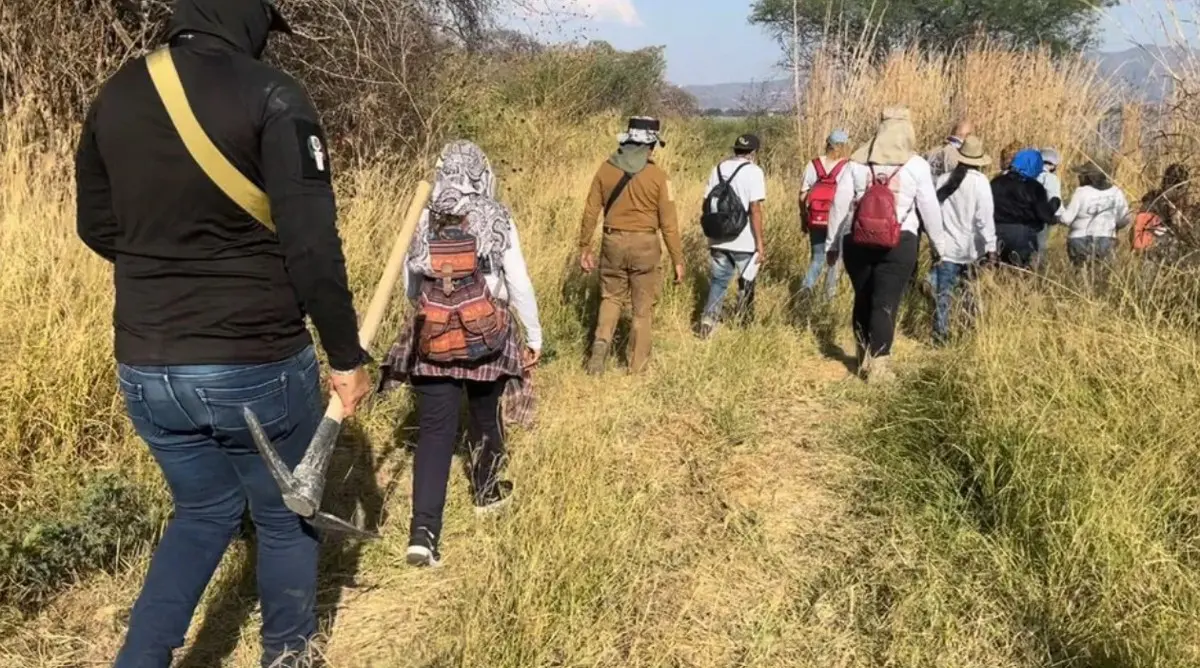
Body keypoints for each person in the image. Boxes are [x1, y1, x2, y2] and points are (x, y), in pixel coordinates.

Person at [75, 0, 371, 665]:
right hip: (255, 357)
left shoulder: (116, 93)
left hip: (146, 366)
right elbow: (313, 249)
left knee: (202, 513)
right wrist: (347, 359)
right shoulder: (273, 95)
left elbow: (96, 228)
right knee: (286, 514)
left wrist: (168, 270)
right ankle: (288, 656)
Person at [379, 140, 542, 568]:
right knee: (485, 416)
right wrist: (535, 334)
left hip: (433, 334)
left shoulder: (422, 213)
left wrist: (428, 311)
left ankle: (423, 533)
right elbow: (518, 281)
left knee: (434, 432)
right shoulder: (495, 214)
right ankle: (487, 493)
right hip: (487, 330)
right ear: (481, 172)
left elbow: (410, 283)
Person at [826, 107, 942, 383]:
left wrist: (832, 245)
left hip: (857, 239)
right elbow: (930, 209)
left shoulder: (855, 163)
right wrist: (940, 247)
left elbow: (839, 205)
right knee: (885, 301)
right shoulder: (916, 165)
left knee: (863, 296)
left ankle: (861, 353)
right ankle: (879, 366)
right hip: (900, 241)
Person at [578, 116, 684, 375]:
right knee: (642, 308)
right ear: (651, 146)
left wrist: (584, 247)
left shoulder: (605, 169)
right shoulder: (659, 176)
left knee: (611, 298)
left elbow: (591, 211)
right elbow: (669, 224)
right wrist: (678, 260)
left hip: (612, 240)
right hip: (645, 245)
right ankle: (636, 367)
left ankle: (600, 349)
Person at [925, 136, 997, 345]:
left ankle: (940, 336)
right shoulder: (981, 182)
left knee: (943, 295)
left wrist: (934, 242)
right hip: (972, 250)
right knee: (970, 294)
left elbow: (934, 214)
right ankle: (967, 334)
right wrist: (991, 247)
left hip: (946, 248)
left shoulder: (943, 180)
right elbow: (984, 218)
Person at [698, 133, 767, 336]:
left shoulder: (718, 168)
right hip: (744, 239)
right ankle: (744, 325)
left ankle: (707, 323)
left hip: (718, 236)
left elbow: (706, 202)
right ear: (753, 152)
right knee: (746, 282)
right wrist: (760, 243)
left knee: (718, 281)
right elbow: (755, 208)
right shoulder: (754, 172)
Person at [798, 129, 851, 300]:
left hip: (815, 218)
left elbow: (802, 194)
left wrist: (803, 217)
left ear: (827, 143)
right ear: (844, 146)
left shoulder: (813, 164)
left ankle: (807, 286)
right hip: (838, 219)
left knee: (817, 257)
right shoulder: (847, 166)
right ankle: (829, 297)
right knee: (834, 258)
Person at [990, 148, 1058, 268]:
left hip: (995, 233)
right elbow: (1045, 216)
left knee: (999, 270)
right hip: (1022, 236)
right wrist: (1054, 204)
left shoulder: (996, 182)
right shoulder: (1034, 187)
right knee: (1022, 272)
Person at [1059, 158, 1132, 267]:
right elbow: (1126, 218)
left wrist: (1057, 209)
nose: (1079, 178)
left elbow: (1066, 219)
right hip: (1106, 238)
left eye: (1082, 175)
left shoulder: (1081, 192)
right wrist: (1114, 227)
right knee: (1103, 276)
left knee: (1081, 276)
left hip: (1079, 240)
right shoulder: (1116, 192)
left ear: (1089, 177)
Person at [1136, 163, 1191, 263]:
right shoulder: (1152, 203)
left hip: (1171, 263)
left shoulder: (1185, 208)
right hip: (1157, 260)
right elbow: (1140, 240)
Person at [1033, 147, 1064, 268]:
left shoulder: (1028, 174)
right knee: (1039, 250)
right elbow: (1055, 200)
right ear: (1052, 165)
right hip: (1041, 221)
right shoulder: (1051, 179)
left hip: (1023, 219)